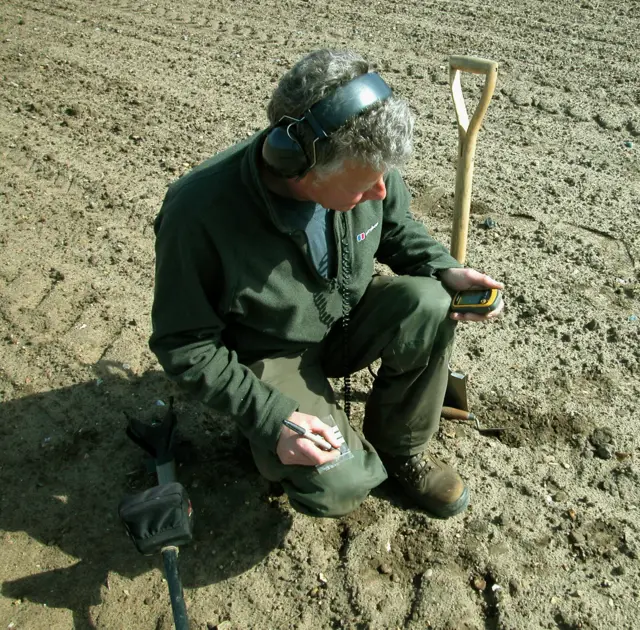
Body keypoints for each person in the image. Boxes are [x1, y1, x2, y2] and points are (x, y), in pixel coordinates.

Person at [149, 49, 504, 520]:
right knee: (340, 485)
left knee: (431, 301)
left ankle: (400, 448)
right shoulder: (198, 215)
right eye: (364, 185)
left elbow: (395, 228)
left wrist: (443, 267)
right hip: (273, 350)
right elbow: (185, 346)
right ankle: (283, 444)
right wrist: (272, 418)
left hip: (346, 318)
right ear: (301, 166)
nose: (380, 191)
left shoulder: (362, 165)